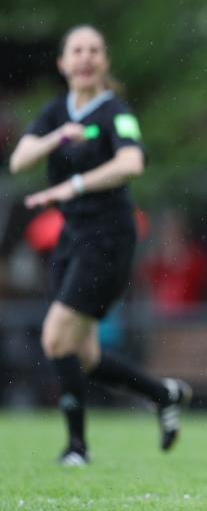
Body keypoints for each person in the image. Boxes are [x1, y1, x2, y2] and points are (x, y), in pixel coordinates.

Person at [8, 25, 191, 466]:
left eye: (94, 50)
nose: (86, 57)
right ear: (63, 63)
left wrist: (72, 185)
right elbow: (19, 160)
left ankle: (77, 448)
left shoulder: (115, 113)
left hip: (108, 238)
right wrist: (58, 138)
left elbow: (132, 162)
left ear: (104, 62)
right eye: (77, 50)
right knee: (84, 353)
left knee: (55, 338)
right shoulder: (56, 112)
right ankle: (163, 393)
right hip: (73, 240)